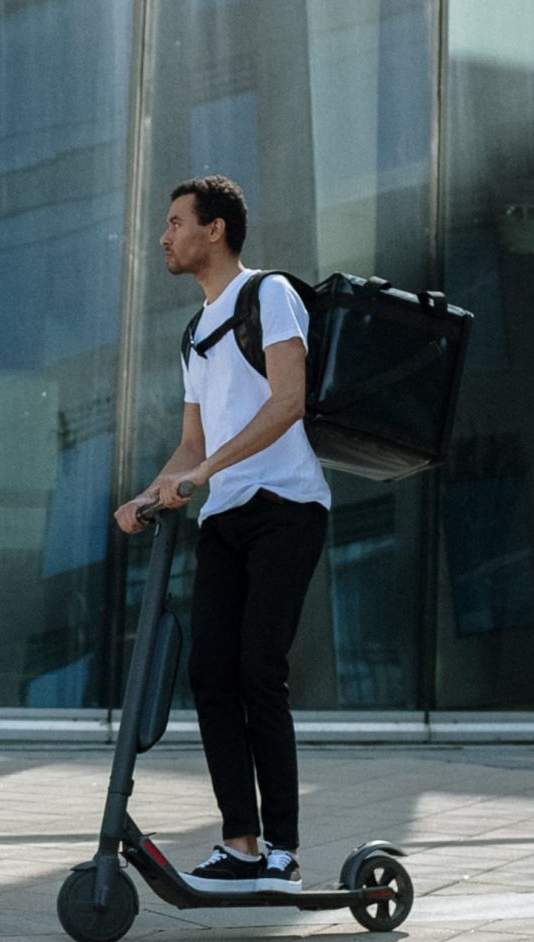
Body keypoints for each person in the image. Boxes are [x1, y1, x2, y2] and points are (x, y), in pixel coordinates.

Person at [112, 175, 330, 895]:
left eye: (176, 222)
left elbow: (288, 400)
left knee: (257, 669)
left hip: (286, 508)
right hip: (228, 516)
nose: (164, 235)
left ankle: (284, 852)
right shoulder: (194, 333)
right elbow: (191, 442)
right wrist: (147, 495)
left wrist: (202, 471)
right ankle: (240, 841)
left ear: (215, 230)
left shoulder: (268, 295)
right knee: (210, 672)